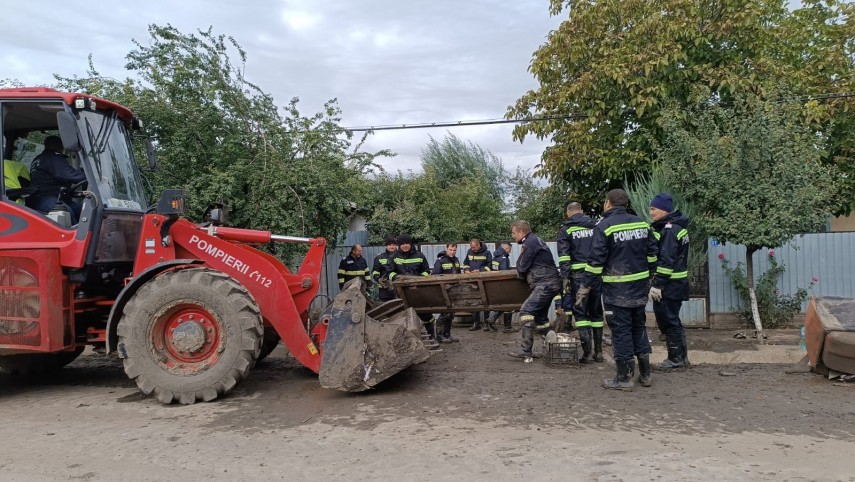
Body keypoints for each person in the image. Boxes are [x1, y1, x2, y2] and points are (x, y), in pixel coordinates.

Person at [577, 189, 658, 389]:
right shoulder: (642, 223)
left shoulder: (604, 226)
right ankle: (646, 375)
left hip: (616, 290)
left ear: (608, 203)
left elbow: (595, 261)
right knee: (638, 326)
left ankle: (623, 378)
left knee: (620, 331)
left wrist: (585, 286)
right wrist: (648, 276)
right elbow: (653, 254)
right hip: (639, 288)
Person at [507, 221, 562, 359]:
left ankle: (526, 351)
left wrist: (520, 257)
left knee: (526, 311)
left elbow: (522, 268)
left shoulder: (530, 242)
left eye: (514, 233)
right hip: (550, 283)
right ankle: (551, 349)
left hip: (545, 284)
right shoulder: (535, 240)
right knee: (541, 318)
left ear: (521, 232)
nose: (513, 236)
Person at [557, 202, 604, 364]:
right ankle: (599, 353)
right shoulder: (596, 226)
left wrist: (565, 277)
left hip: (578, 276)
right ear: (582, 211)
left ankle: (587, 354)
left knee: (581, 313)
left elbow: (564, 256)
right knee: (596, 312)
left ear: (568, 212)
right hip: (596, 274)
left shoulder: (566, 229)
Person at [649, 193, 691, 370]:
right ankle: (681, 358)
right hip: (677, 283)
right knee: (673, 319)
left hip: (670, 284)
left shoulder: (669, 230)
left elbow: (666, 261)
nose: (651, 212)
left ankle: (675, 360)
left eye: (654, 209)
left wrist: (657, 284)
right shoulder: (676, 227)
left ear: (664, 210)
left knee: (668, 319)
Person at [386, 233, 436, 341]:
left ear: (410, 243)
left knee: (426, 315)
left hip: (418, 291)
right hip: (401, 293)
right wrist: (399, 280)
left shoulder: (420, 256)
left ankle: (432, 337)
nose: (405, 245)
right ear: (399, 245)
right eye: (402, 243)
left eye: (407, 243)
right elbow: (389, 273)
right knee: (402, 317)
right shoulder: (393, 257)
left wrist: (417, 281)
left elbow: (426, 271)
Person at [27, 135, 86, 222]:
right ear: (61, 146)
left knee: (83, 211)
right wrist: (91, 177)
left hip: (41, 199)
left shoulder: (39, 158)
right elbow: (70, 175)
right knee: (67, 213)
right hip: (46, 198)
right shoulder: (53, 158)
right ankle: (77, 235)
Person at [431, 242, 462, 343]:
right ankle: (439, 336)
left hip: (454, 290)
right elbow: (435, 275)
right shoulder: (440, 261)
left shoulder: (456, 260)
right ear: (446, 249)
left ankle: (447, 334)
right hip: (443, 291)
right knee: (444, 313)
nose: (452, 252)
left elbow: (458, 274)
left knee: (451, 314)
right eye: (450, 250)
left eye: (454, 250)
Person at [463, 237, 493, 331]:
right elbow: (466, 263)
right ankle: (476, 323)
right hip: (472, 280)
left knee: (485, 302)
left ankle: (486, 324)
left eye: (474, 247)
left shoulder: (487, 253)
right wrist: (466, 270)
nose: (473, 249)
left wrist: (480, 271)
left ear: (479, 245)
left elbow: (489, 266)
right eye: (471, 247)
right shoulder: (469, 251)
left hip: (483, 280)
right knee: (473, 301)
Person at [488, 241, 515, 333]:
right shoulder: (504, 258)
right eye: (510, 250)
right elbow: (505, 273)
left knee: (502, 305)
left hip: (496, 285)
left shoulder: (495, 257)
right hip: (504, 285)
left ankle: (492, 319)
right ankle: (507, 327)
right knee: (509, 305)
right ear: (506, 248)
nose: (510, 252)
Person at [372, 236, 398, 302]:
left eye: (393, 245)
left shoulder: (401, 257)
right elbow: (375, 272)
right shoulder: (379, 257)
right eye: (389, 245)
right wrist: (378, 279)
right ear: (386, 246)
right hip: (384, 290)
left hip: (399, 288)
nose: (391, 247)